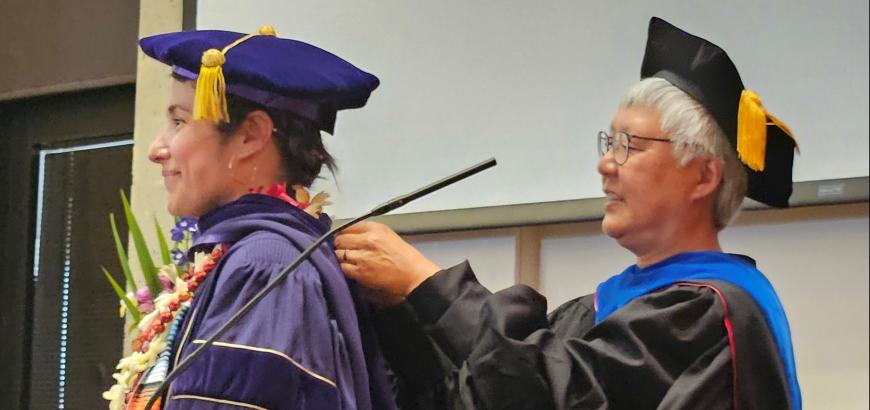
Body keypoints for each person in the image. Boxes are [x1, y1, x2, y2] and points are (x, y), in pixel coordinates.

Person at [334, 17, 802, 409]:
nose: (605, 164)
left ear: (703, 177)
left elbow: (562, 394)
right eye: (608, 142)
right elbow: (479, 395)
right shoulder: (601, 310)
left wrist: (429, 286)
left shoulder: (710, 312)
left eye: (629, 146)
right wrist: (400, 312)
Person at [105, 25, 397, 410]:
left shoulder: (263, 266)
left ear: (250, 136)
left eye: (179, 121)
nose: (157, 149)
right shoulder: (254, 254)